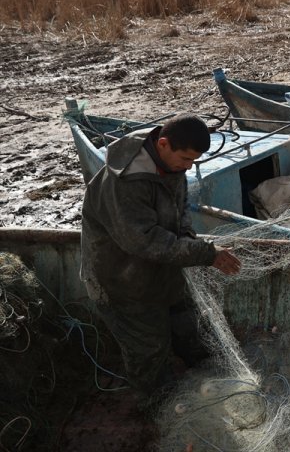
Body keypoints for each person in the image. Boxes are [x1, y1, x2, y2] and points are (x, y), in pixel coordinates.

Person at [80, 112, 241, 399]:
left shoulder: (170, 165)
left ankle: (208, 373)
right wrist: (205, 253)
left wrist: (189, 240)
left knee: (189, 328)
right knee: (149, 351)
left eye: (194, 161)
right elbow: (143, 241)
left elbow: (181, 213)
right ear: (163, 144)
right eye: (185, 159)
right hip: (121, 282)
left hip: (162, 270)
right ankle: (159, 406)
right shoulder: (124, 182)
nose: (188, 167)